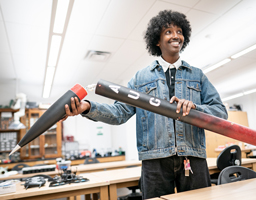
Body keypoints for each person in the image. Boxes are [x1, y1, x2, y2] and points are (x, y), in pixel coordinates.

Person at [63, 10, 228, 199]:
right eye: (168, 31)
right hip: (154, 160)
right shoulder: (141, 78)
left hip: (193, 157)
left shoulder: (197, 75)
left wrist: (196, 108)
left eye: (179, 31)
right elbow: (120, 112)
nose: (176, 36)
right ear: (157, 41)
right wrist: (88, 107)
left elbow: (221, 113)